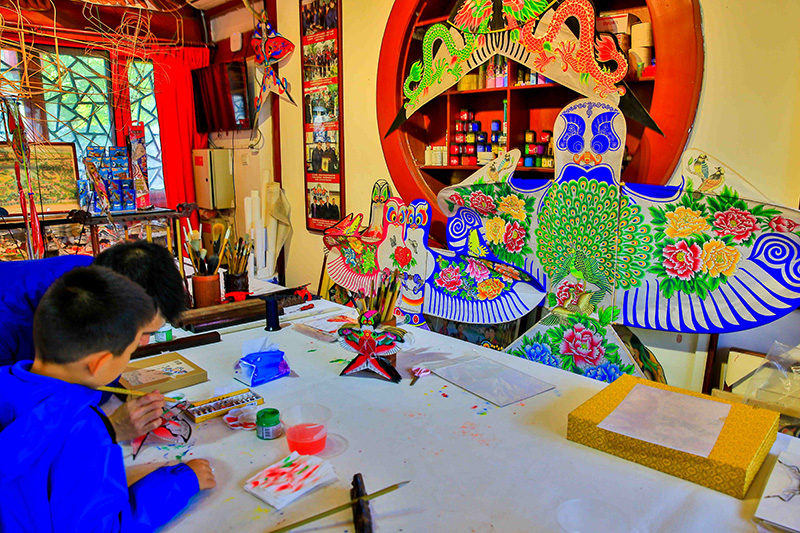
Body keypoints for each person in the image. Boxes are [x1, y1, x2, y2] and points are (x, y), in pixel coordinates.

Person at [0, 266, 215, 530]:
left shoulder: (7, 385)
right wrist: (179, 482)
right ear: (99, 363)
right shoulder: (84, 428)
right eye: (131, 351)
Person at [0, 240, 189, 442]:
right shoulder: (9, 320)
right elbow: (16, 442)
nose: (143, 343)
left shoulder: (103, 276)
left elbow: (93, 383)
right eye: (142, 332)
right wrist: (108, 429)